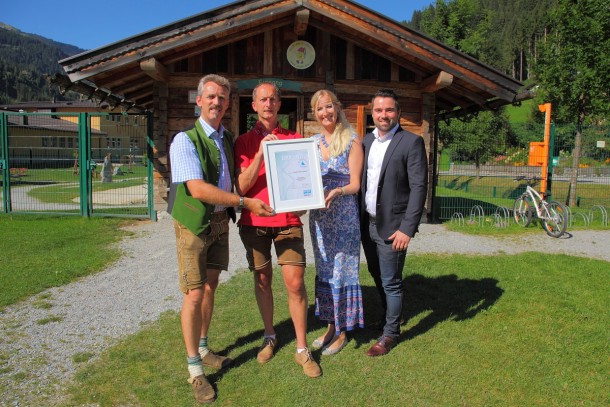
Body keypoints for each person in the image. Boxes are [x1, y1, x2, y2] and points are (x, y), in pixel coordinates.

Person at [169, 74, 274, 403]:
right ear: (198, 100)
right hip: (193, 223)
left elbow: (232, 180)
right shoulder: (185, 140)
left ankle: (204, 348)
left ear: (228, 104)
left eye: (222, 98)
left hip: (219, 222)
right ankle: (195, 370)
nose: (217, 102)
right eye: (211, 96)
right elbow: (196, 189)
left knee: (210, 287)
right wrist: (244, 203)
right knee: (194, 295)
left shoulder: (225, 138)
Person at [234, 82, 321, 378]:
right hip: (254, 223)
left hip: (287, 223)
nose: (268, 103)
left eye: (273, 99)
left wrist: (304, 204)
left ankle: (301, 347)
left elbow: (305, 184)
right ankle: (270, 335)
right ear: (254, 106)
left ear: (279, 104)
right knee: (262, 279)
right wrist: (260, 152)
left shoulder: (295, 139)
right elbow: (240, 187)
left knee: (295, 283)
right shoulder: (243, 141)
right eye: (262, 99)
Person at [360, 88, 428, 357]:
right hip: (368, 224)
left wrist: (407, 229)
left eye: (389, 110)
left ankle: (389, 334)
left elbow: (419, 187)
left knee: (391, 281)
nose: (383, 115)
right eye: (378, 110)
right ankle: (392, 318)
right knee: (377, 275)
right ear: (372, 113)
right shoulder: (365, 142)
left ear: (398, 113)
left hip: (394, 227)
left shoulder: (411, 142)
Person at [308, 89, 364, 355]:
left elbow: (355, 184)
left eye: (328, 106)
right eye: (319, 109)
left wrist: (338, 191)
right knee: (326, 270)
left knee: (343, 271)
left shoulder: (352, 141)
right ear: (315, 113)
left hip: (343, 216)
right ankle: (330, 325)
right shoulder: (311, 143)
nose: (325, 112)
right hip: (319, 219)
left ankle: (343, 331)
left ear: (337, 107)